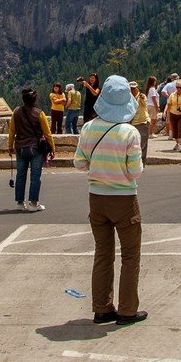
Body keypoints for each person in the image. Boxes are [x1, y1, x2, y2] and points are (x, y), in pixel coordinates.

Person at [73, 75, 146, 326]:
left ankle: (102, 308)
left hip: (97, 199)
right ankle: (127, 310)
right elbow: (135, 172)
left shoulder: (88, 128)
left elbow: (79, 163)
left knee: (103, 254)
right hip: (124, 199)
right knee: (130, 255)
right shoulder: (130, 133)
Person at [8, 87, 57, 212]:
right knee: (35, 176)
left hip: (20, 148)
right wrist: (52, 148)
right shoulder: (39, 113)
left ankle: (19, 203)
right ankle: (33, 203)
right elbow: (47, 133)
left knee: (20, 175)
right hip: (35, 149)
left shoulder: (16, 112)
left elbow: (12, 130)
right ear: (35, 99)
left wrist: (10, 146)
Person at [129, 81, 151, 162]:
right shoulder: (129, 98)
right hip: (133, 123)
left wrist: (142, 98)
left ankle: (140, 162)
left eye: (134, 88)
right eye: (131, 89)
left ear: (137, 88)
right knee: (135, 144)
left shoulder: (141, 96)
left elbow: (145, 103)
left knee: (142, 144)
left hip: (143, 122)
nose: (132, 90)